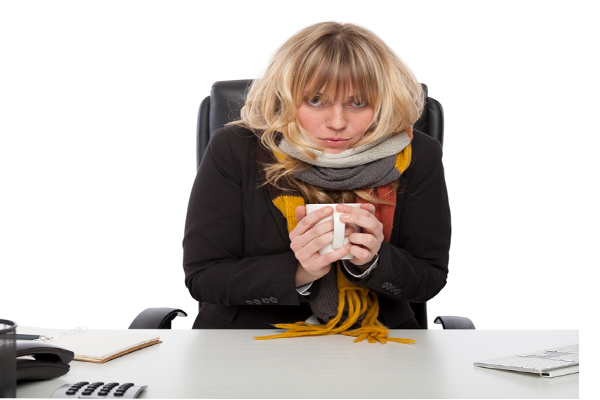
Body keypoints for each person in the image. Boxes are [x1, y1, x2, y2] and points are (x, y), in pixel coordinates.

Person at [182, 22, 450, 342]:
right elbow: (204, 277)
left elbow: (430, 277)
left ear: (382, 101)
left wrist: (374, 262)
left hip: (372, 338)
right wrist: (300, 272)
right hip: (250, 338)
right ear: (286, 97)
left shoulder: (418, 153)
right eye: (315, 100)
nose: (337, 123)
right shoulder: (234, 147)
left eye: (358, 102)